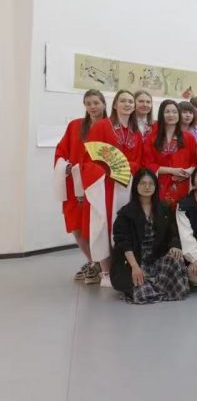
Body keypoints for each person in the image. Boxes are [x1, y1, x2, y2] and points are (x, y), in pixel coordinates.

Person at [80, 89, 143, 287]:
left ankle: (122, 268)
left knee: (124, 225)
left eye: (130, 101)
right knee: (103, 226)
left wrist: (126, 168)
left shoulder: (136, 131)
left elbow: (139, 159)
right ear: (115, 104)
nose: (127, 104)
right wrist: (108, 172)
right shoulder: (101, 126)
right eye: (123, 101)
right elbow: (90, 157)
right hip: (105, 184)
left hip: (127, 183)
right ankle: (105, 272)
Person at [110, 169, 189, 304]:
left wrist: (175, 246)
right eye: (142, 183)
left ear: (156, 186)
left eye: (151, 183)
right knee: (142, 294)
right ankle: (158, 286)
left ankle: (154, 285)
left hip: (156, 258)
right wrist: (135, 267)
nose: (147, 187)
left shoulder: (164, 208)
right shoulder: (126, 213)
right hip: (135, 260)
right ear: (136, 186)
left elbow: (173, 232)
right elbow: (123, 243)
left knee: (176, 259)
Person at [55, 89, 107, 282]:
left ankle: (104, 265)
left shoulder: (110, 126)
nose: (92, 107)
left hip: (99, 184)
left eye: (96, 103)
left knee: (97, 228)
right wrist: (65, 165)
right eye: (88, 103)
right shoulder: (75, 126)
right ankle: (93, 262)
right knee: (76, 227)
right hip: (75, 185)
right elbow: (61, 151)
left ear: (104, 104)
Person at [142, 99, 197, 209]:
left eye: (174, 112)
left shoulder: (189, 138)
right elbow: (147, 164)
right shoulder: (152, 138)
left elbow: (195, 162)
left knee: (180, 214)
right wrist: (171, 170)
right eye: (167, 112)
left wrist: (188, 172)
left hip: (182, 184)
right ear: (161, 114)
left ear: (179, 115)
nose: (171, 115)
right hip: (158, 185)